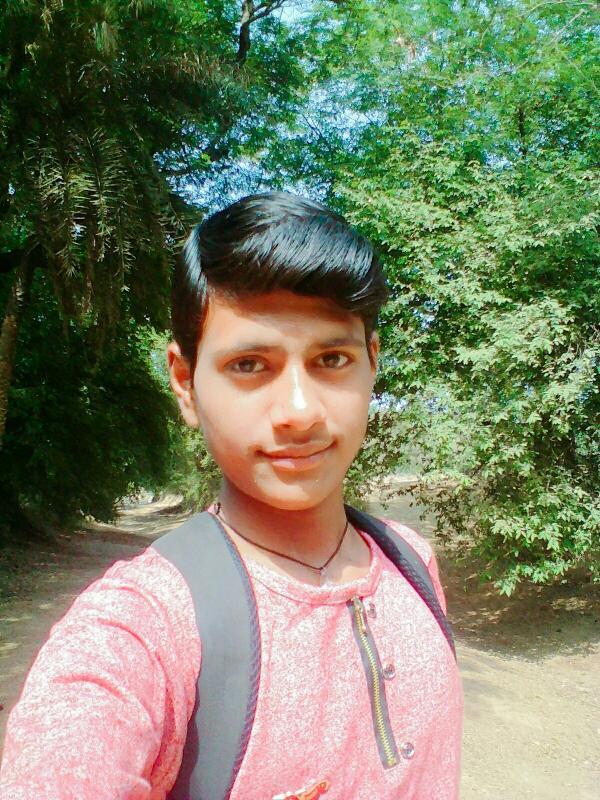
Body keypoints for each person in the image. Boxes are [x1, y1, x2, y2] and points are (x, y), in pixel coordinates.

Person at [0, 191, 463, 799]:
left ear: (371, 364)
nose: (300, 412)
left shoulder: (411, 561)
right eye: (249, 365)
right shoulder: (145, 625)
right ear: (185, 383)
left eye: (331, 358)